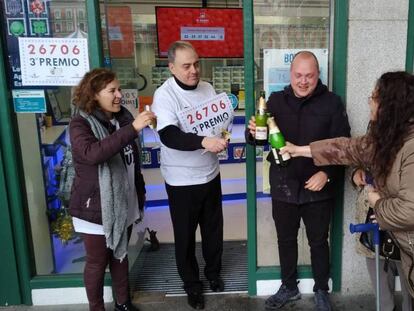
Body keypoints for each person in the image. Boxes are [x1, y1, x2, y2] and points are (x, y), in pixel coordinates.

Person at [282, 71, 414, 299]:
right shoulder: (390, 136)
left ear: (390, 105)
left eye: (374, 97)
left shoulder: (411, 146)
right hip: (397, 239)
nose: (369, 102)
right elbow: (346, 148)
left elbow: (409, 211)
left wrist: (377, 202)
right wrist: (298, 150)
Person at [246, 51, 351, 311]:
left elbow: (344, 147)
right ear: (290, 75)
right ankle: (289, 287)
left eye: (309, 76)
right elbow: (260, 141)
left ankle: (321, 290)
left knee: (318, 242)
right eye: (298, 75)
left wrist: (326, 174)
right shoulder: (275, 102)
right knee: (286, 240)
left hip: (318, 187)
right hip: (284, 184)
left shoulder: (332, 103)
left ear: (318, 75)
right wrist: (252, 133)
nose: (303, 81)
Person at [69, 68, 156, 311]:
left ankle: (123, 303)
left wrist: (139, 194)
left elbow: (132, 163)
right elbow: (93, 154)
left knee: (120, 256)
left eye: (119, 89)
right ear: (94, 95)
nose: (119, 94)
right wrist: (133, 129)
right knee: (97, 262)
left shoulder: (123, 118)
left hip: (124, 202)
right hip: (95, 207)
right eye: (112, 91)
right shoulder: (80, 123)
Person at [151, 41, 228, 310]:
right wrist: (204, 142)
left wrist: (221, 134)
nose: (194, 70)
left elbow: (218, 120)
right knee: (184, 237)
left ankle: (213, 273)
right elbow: (169, 134)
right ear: (171, 67)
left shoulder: (207, 88)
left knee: (213, 231)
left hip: (210, 174)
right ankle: (192, 285)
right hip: (181, 181)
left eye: (196, 63)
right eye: (186, 66)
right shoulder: (165, 95)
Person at [352, 168, 413, 311]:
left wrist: (388, 214)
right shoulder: (370, 145)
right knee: (382, 291)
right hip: (371, 216)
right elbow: (354, 157)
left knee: (409, 284)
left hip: (405, 218)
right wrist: (356, 173)